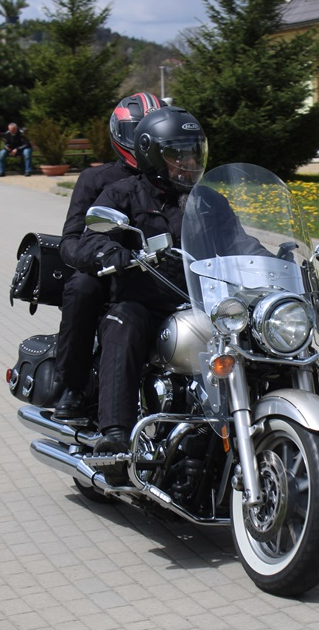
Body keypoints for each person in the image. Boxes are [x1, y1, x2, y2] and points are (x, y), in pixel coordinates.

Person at [66, 106, 210, 457]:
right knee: (123, 321)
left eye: (194, 153)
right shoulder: (122, 194)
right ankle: (115, 434)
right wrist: (109, 251)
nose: (189, 163)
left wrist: (273, 261)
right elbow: (88, 239)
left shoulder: (207, 200)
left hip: (197, 301)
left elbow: (237, 241)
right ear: (153, 156)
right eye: (179, 155)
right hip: (144, 302)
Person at [52, 92, 165, 423]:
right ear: (119, 133)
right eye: (136, 132)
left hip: (159, 271)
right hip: (106, 269)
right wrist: (101, 256)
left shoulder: (170, 178)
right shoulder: (96, 179)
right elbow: (71, 240)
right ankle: (72, 384)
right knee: (82, 288)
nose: (142, 141)